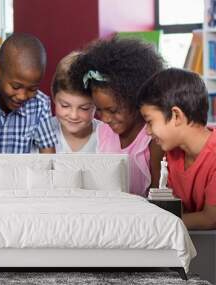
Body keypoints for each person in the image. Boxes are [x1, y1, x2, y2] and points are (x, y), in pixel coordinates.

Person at [69, 37, 165, 197]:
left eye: (113, 110)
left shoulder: (153, 140)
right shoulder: (104, 133)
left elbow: (160, 198)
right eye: (99, 110)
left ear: (136, 98)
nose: (105, 119)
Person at [138, 68, 216, 230]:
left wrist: (154, 225)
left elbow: (210, 219)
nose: (147, 131)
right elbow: (175, 207)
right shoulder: (173, 154)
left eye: (150, 121)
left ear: (176, 116)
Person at [0, 33, 57, 154]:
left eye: (32, 89)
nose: (22, 96)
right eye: (16, 86)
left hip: (21, 173)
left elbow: (48, 157)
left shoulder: (40, 104)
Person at [50, 50, 101, 153]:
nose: (74, 116)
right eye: (65, 106)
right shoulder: (42, 132)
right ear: (54, 97)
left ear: (97, 104)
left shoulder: (106, 136)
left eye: (84, 108)